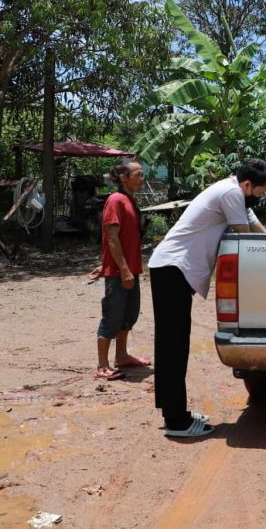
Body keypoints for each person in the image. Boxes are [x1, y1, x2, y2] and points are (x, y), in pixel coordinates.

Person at [147, 159, 266, 439]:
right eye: (260, 193)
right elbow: (244, 234)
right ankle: (176, 421)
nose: (260, 198)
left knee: (175, 343)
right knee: (172, 345)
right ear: (248, 185)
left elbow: (256, 225)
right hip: (173, 268)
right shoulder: (231, 193)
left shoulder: (234, 191)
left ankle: (173, 411)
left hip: (174, 269)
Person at [88, 161, 150, 381]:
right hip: (120, 271)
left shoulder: (129, 199)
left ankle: (121, 356)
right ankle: (102, 365)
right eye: (138, 174)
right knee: (112, 317)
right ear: (124, 177)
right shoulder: (115, 200)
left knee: (129, 314)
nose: (142, 178)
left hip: (130, 268)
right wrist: (122, 269)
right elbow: (111, 237)